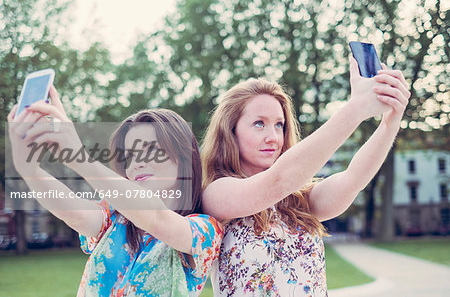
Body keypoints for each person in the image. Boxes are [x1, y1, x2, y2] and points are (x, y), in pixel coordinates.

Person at [200, 58, 410, 296]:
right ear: (231, 132)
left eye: (279, 125)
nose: (273, 137)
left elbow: (353, 180)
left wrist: (391, 122)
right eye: (259, 124)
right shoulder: (216, 193)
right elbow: (278, 181)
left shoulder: (298, 201)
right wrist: (357, 107)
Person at [7, 86, 223, 296]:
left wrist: (79, 158)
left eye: (151, 150)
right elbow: (74, 214)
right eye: (129, 155)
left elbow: (156, 218)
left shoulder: (206, 231)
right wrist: (29, 170)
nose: (137, 163)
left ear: (185, 157)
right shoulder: (114, 216)